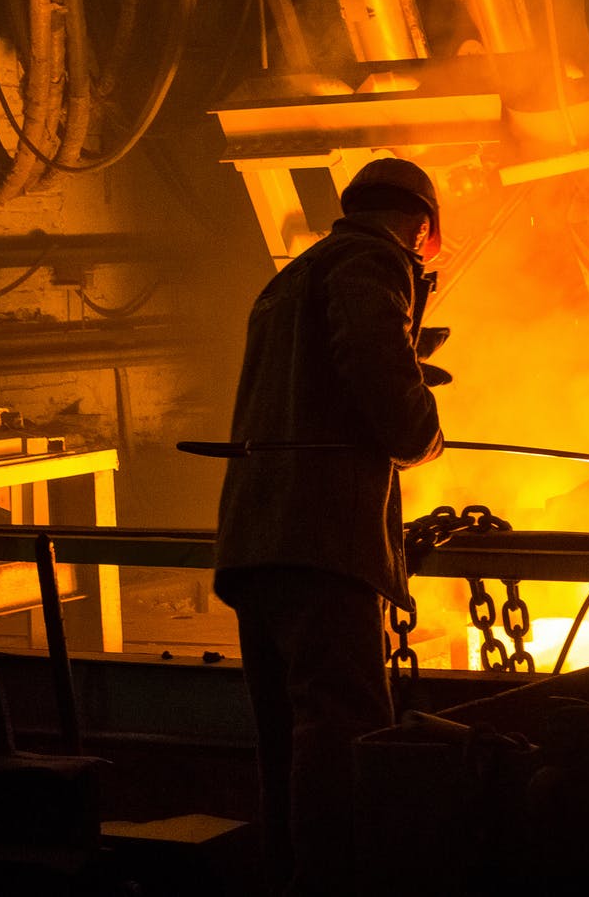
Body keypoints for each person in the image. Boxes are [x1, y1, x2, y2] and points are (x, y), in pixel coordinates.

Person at [213, 155, 446, 896]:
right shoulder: (375, 259)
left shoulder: (288, 279)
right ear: (420, 228)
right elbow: (392, 406)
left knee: (283, 742)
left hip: (257, 542)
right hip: (325, 544)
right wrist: (422, 420)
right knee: (341, 734)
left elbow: (315, 376)